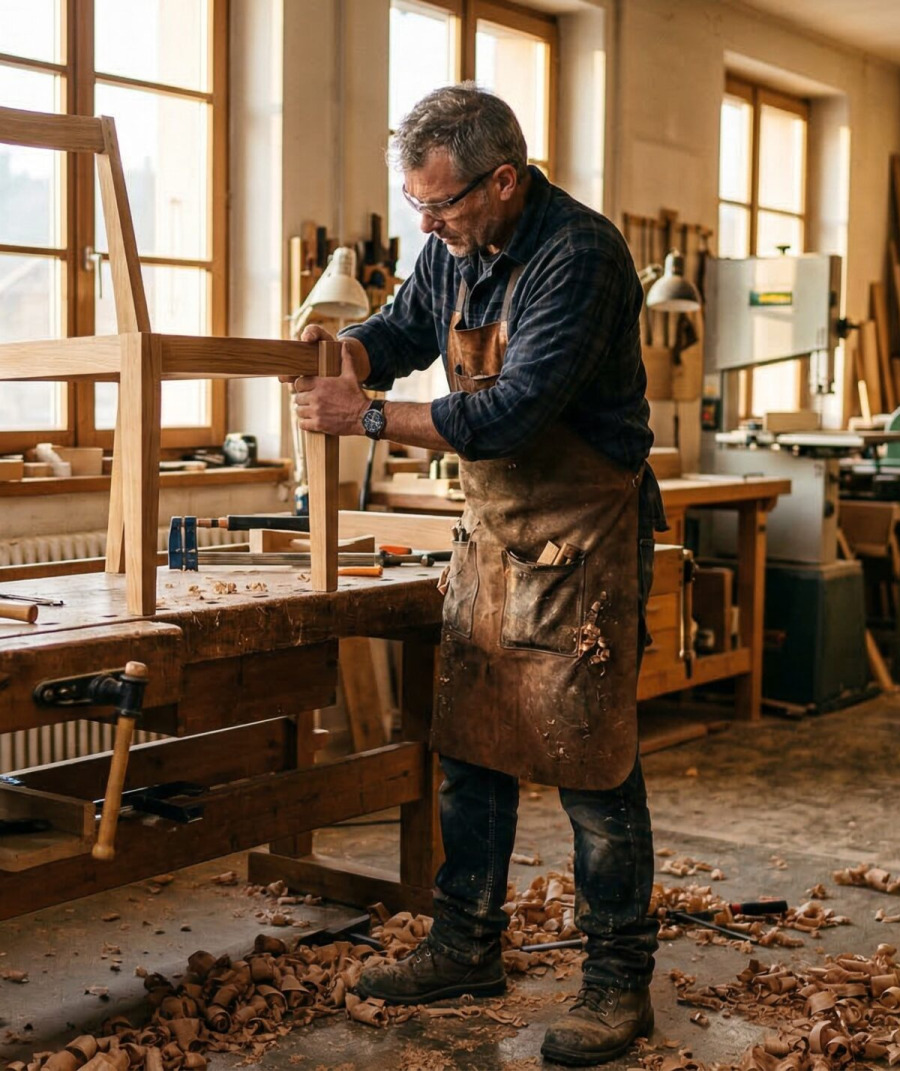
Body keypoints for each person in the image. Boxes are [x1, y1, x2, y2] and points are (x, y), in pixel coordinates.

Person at [291, 83, 664, 1065]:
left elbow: (507, 415)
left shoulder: (578, 257)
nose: (428, 221)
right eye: (418, 203)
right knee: (469, 748)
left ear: (504, 180)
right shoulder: (452, 249)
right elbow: (407, 328)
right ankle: (465, 946)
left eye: (443, 203)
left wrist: (362, 418)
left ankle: (620, 983)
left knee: (593, 763)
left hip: (585, 538)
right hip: (497, 534)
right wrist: (347, 357)